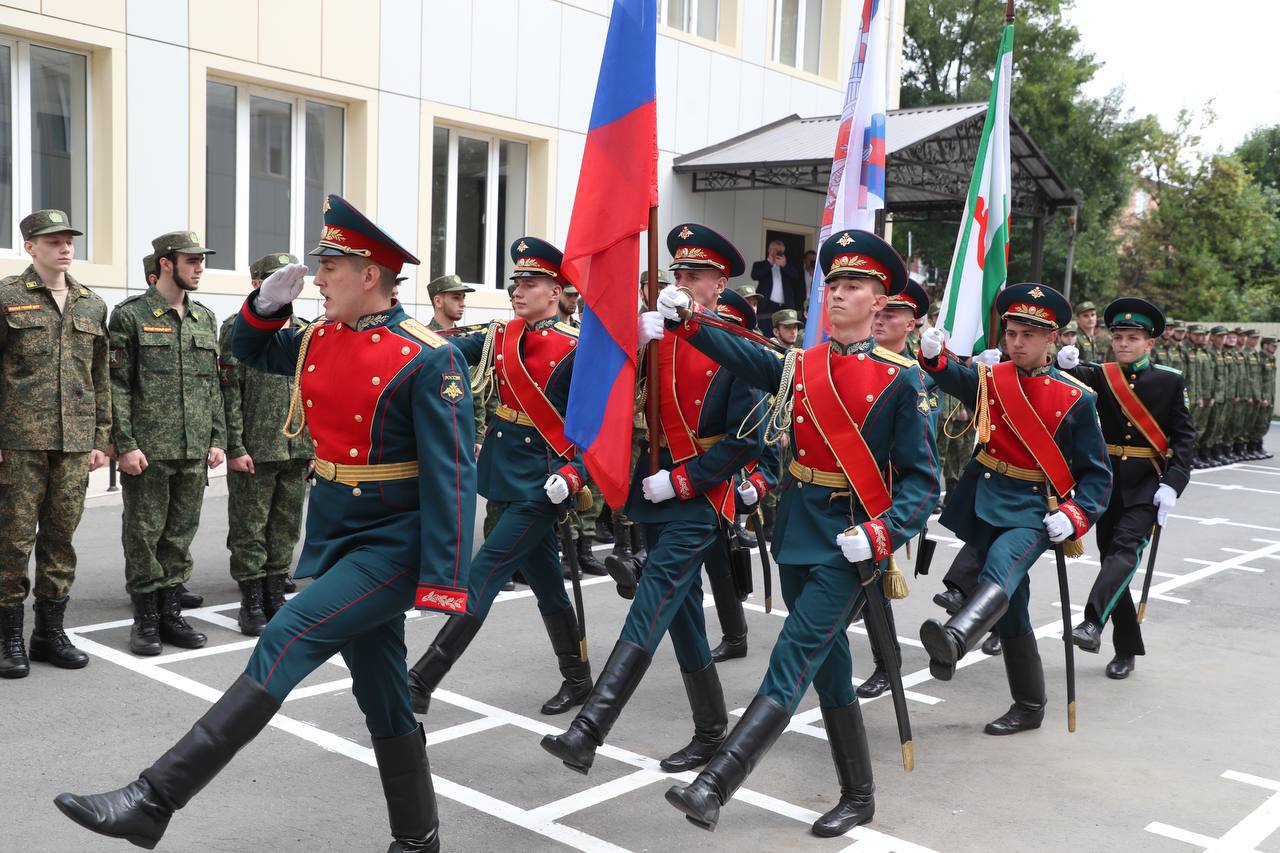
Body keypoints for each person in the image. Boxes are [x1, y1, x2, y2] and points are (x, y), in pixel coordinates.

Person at [55, 194, 475, 853]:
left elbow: (453, 472)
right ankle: (418, 839)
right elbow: (246, 346)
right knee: (383, 692)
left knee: (287, 633)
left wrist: (445, 579)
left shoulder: (426, 356)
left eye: (330, 265)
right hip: (338, 535)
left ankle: (154, 797)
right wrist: (266, 305)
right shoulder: (318, 337)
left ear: (371, 274)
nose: (319, 276)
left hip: (394, 543)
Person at [658, 228, 937, 836]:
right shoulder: (799, 366)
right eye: (832, 283)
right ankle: (859, 795)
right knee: (829, 665)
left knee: (792, 654)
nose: (837, 294)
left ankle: (717, 782)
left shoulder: (902, 380)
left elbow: (922, 485)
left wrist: (884, 534)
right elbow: (742, 353)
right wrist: (690, 320)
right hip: (797, 531)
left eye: (853, 285)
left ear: (880, 303)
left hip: (850, 540)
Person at [541, 223, 763, 779]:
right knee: (683, 616)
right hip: (653, 493)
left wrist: (686, 481)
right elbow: (567, 387)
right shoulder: (654, 337)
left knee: (653, 598)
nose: (682, 282)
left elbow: (748, 438)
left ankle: (589, 728)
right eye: (677, 273)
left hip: (702, 496)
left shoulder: (740, 346)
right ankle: (712, 730)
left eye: (695, 275)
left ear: (719, 284)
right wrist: (621, 343)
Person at [406, 237, 597, 718]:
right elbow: (442, 343)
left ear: (555, 291)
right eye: (516, 283)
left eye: (529, 283)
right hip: (504, 473)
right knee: (549, 584)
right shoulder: (499, 335)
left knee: (484, 571)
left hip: (542, 482)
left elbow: (598, 426)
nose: (518, 290)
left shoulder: (578, 349)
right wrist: (393, 328)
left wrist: (575, 474)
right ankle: (578, 678)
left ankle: (422, 678)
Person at [917, 283, 1111, 735]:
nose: (1016, 342)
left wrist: (1076, 515)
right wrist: (933, 354)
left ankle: (956, 637)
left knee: (1003, 564)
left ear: (1051, 339)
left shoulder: (1076, 398)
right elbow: (952, 376)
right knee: (1015, 606)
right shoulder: (991, 380)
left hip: (1033, 509)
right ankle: (1029, 705)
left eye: (1028, 335)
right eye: (1011, 333)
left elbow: (1097, 475)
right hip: (986, 499)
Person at [1056, 298, 1194, 679]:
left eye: (1132, 338)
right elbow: (1066, 377)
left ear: (1149, 344)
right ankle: (1127, 648)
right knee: (1112, 566)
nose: (1123, 344)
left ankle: (1092, 623)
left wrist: (1173, 484)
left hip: (1147, 487)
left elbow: (1184, 441)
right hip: (1107, 483)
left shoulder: (1170, 380)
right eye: (1118, 337)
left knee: (1123, 555)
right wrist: (1061, 364)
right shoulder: (1101, 374)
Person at [0, 210, 108, 677]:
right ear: (30, 247)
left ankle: (49, 633)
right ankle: (9, 637)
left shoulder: (90, 304)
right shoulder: (7, 297)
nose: (64, 248)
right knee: (13, 539)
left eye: (68, 240)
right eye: (53, 241)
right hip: (20, 442)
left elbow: (101, 376)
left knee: (61, 538)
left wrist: (101, 436)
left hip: (74, 442)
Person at [109, 231, 226, 655]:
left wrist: (217, 438)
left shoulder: (205, 319)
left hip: (193, 447)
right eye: (191, 260)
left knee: (179, 534)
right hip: (149, 449)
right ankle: (145, 620)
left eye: (201, 260)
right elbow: (117, 385)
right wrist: (124, 443)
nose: (199, 267)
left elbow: (212, 385)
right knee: (143, 533)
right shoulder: (130, 316)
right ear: (165, 264)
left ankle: (171, 612)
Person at [218, 253, 314, 636]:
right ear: (258, 283)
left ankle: (276, 592)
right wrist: (235, 446)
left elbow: (315, 392)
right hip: (256, 446)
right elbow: (229, 391)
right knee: (250, 527)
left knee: (287, 526)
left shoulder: (308, 330)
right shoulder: (236, 328)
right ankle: (252, 600)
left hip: (297, 447)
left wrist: (314, 448)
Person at [856, 277, 936, 698]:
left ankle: (887, 666)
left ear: (912, 324)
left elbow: (922, 451)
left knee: (869, 582)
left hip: (884, 490)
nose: (881, 319)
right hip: (843, 483)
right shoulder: (852, 359)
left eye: (892, 313)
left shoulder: (921, 377)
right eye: (879, 310)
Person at [750, 239, 804, 335]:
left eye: (780, 251)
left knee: (784, 335)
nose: (777, 252)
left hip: (785, 306)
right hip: (766, 306)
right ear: (769, 250)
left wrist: (785, 265)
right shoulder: (760, 264)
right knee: (765, 334)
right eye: (774, 250)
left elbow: (796, 277)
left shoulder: (787, 265)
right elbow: (754, 275)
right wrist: (769, 263)